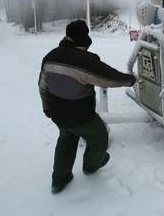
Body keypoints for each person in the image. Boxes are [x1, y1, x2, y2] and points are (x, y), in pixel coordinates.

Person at [38, 20, 136, 194]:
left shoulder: (50, 56)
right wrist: (130, 80)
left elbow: (42, 85)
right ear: (83, 38)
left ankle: (59, 180)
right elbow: (109, 78)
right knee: (99, 136)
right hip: (80, 115)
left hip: (57, 113)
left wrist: (47, 107)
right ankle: (91, 165)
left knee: (66, 140)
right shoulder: (85, 60)